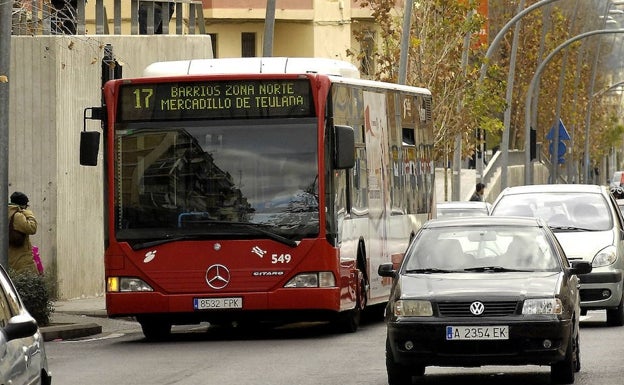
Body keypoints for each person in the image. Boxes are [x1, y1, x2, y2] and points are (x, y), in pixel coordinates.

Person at [8, 192, 38, 274]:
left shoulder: (5, 213)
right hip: (21, 261)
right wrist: (29, 214)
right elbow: (32, 228)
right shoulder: (17, 216)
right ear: (23, 205)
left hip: (9, 259)